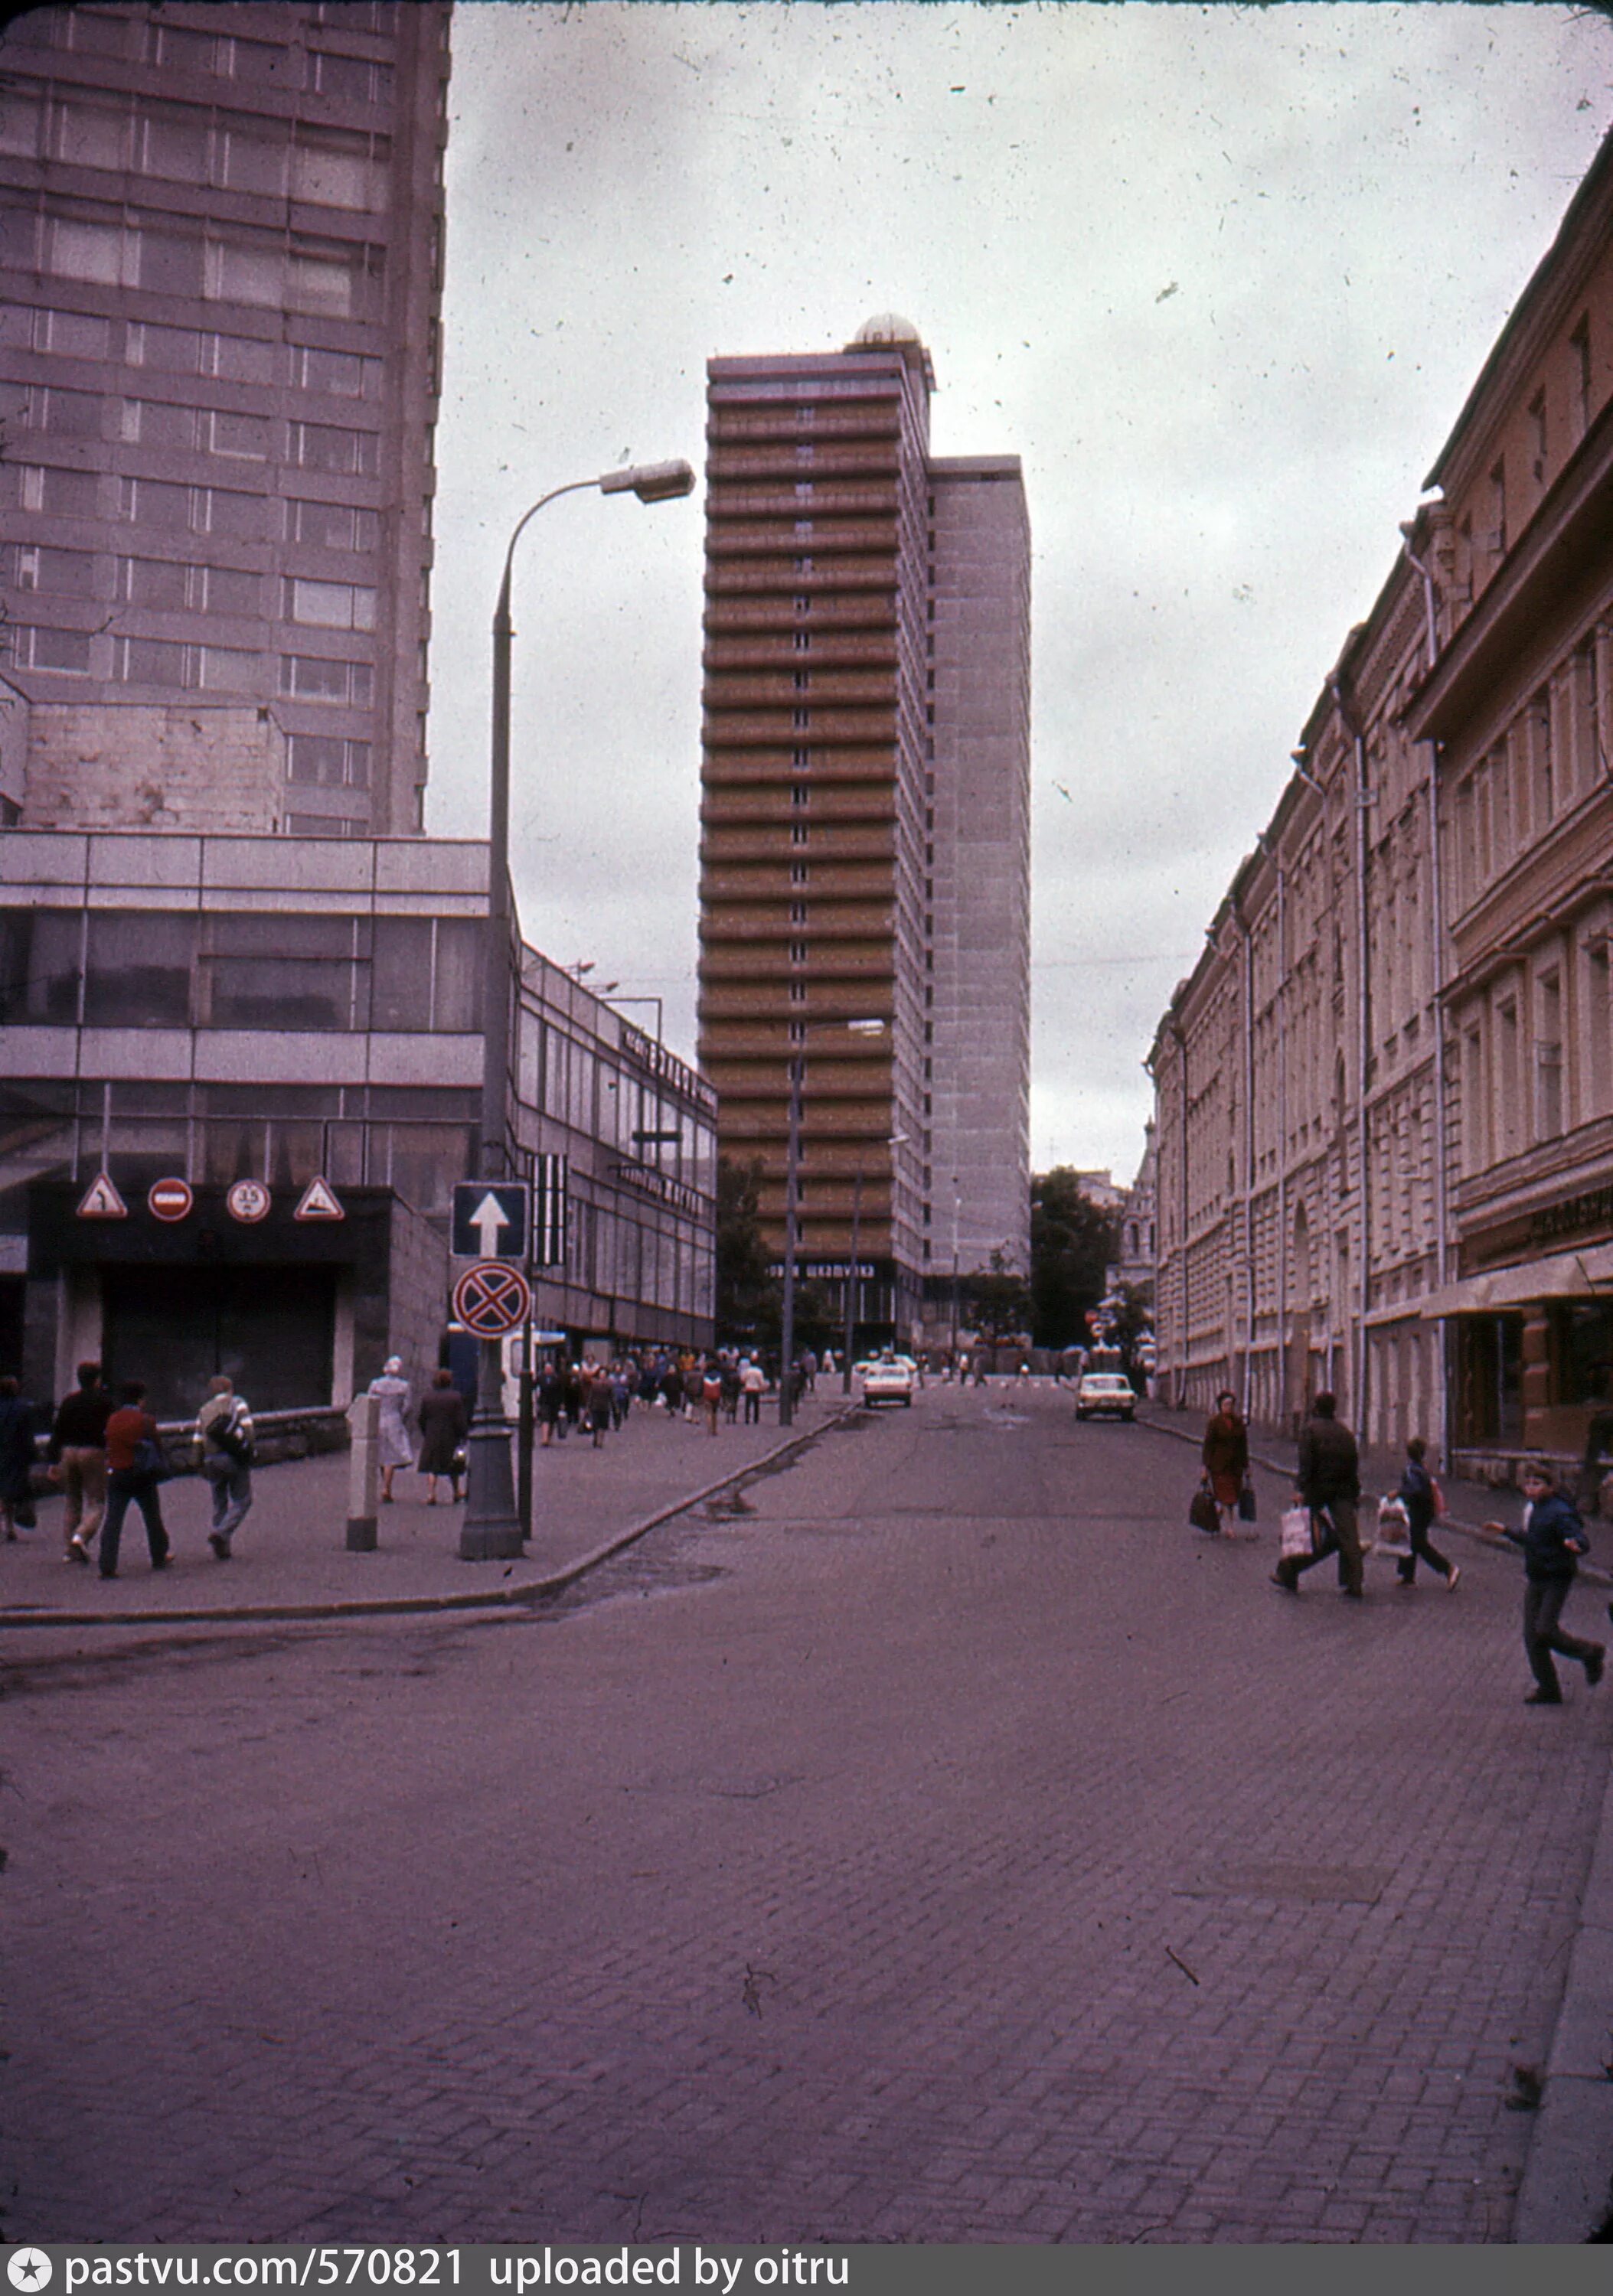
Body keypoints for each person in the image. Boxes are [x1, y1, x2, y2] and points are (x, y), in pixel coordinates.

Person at [1487, 1465, 1605, 1705]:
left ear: (1550, 1487)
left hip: (1556, 1577)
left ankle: (1590, 1652)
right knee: (1532, 1636)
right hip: (1537, 1576)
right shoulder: (1535, 1509)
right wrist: (1507, 1531)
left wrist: (1576, 1544)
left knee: (1545, 1630)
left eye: (1537, 1484)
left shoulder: (1559, 1511)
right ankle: (1549, 1688)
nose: (1531, 1489)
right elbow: (1533, 1539)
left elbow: (1580, 1538)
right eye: (1528, 1483)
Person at [1271, 1391, 1363, 1599]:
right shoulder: (1345, 1433)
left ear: (1316, 1408)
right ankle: (1354, 1582)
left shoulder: (1310, 1431)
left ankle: (1288, 1573)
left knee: (1300, 1532)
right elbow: (1353, 1466)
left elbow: (1307, 1464)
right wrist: (1355, 1493)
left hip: (1317, 1490)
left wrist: (1300, 1490)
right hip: (1343, 1491)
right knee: (1349, 1537)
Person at [99, 1380, 170, 1580]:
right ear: (141, 1399)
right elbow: (157, 1445)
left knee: (113, 1520)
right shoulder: (146, 1420)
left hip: (118, 1474)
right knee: (152, 1517)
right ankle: (159, 1556)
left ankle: (107, 1564)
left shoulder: (112, 1419)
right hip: (142, 1475)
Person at [47, 1358, 113, 1565]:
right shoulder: (104, 1402)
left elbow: (57, 1432)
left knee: (72, 1501)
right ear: (96, 1380)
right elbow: (110, 1431)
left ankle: (69, 1550)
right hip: (93, 1451)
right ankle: (81, 1536)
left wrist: (53, 1460)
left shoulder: (69, 1402)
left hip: (68, 1451)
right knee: (96, 1501)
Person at [195, 1374, 254, 1559]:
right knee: (243, 1500)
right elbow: (248, 1429)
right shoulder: (238, 1404)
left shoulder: (204, 1410)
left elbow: (198, 1439)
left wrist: (198, 1463)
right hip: (233, 1458)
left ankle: (222, 1549)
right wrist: (250, 1451)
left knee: (219, 1501)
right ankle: (221, 1533)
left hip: (212, 1459)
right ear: (230, 1388)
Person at [1396, 1437, 1458, 1590]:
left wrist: (1398, 1493)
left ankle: (1448, 1569)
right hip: (1426, 1511)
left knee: (1419, 1544)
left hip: (1417, 1510)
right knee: (1411, 1541)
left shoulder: (1411, 1470)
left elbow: (1414, 1491)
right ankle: (1407, 1576)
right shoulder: (1423, 1469)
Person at [1200, 1390, 1249, 1537]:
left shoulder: (1238, 1423)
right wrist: (1205, 1467)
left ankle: (1219, 1512)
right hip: (1219, 1466)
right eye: (1226, 1404)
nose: (1229, 1407)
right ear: (1220, 1406)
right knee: (1227, 1497)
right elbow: (1208, 1446)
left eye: (1231, 1404)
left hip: (1235, 1467)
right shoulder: (1214, 1423)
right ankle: (1230, 1528)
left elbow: (1243, 1446)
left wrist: (1247, 1467)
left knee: (1232, 1497)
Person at [416, 1368, 469, 1503]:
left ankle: (431, 1494)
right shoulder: (455, 1397)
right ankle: (456, 1492)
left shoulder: (428, 1397)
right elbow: (460, 1419)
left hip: (432, 1435)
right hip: (450, 1436)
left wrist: (426, 1432)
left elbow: (422, 1418)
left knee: (432, 1467)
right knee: (453, 1466)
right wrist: (463, 1434)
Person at [0, 1374, 40, 1541]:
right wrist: (33, 1455)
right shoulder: (22, 1408)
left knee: (3, 1490)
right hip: (16, 1455)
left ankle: (7, 1526)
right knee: (13, 1490)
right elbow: (27, 1435)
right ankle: (9, 1524)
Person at [368, 1356, 413, 1502]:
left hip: (379, 1419)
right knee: (392, 1456)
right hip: (394, 1419)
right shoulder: (404, 1386)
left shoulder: (375, 1384)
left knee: (382, 1453)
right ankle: (386, 1487)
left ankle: (385, 1485)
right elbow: (408, 1407)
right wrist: (401, 1417)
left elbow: (369, 1402)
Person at [740, 1356, 765, 1426]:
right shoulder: (759, 1371)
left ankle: (747, 1419)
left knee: (747, 1405)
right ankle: (756, 1419)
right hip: (756, 1389)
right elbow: (761, 1382)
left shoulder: (747, 1371)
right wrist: (762, 1388)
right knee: (756, 1405)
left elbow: (743, 1379)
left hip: (748, 1388)